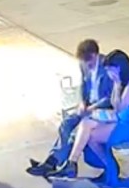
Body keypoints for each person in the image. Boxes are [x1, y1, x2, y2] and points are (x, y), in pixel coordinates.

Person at [48, 49, 129, 184]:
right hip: (120, 120)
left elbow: (119, 107)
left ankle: (111, 169)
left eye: (111, 71)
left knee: (91, 137)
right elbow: (115, 105)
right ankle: (71, 163)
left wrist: (116, 84)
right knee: (86, 122)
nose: (109, 75)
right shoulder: (125, 80)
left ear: (118, 68)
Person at [26, 38, 114, 177]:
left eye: (89, 62)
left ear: (96, 55)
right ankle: (52, 161)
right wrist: (82, 103)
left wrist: (92, 107)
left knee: (76, 131)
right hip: (88, 106)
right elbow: (84, 85)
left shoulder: (107, 68)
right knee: (66, 124)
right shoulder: (84, 65)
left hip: (102, 109)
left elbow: (110, 98)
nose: (87, 65)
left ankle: (63, 163)